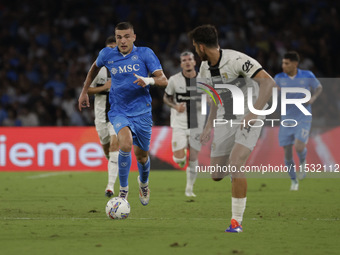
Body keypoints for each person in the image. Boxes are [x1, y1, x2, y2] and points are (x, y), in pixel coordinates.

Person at [188, 24, 276, 232]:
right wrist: (209, 125)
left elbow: (269, 83)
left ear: (201, 47)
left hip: (250, 115)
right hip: (225, 118)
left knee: (236, 162)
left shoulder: (237, 60)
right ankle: (237, 175)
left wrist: (254, 113)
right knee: (217, 174)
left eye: (194, 47)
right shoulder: (203, 69)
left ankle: (236, 222)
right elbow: (213, 99)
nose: (194, 51)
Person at [78, 22, 168, 206]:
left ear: (134, 37)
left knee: (142, 156)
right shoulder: (107, 54)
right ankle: (123, 192)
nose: (123, 40)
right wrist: (84, 91)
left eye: (127, 36)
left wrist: (148, 80)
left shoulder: (144, 53)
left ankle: (143, 184)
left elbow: (164, 80)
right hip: (119, 110)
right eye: (119, 37)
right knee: (125, 145)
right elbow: (94, 68)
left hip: (142, 111)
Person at [274, 51, 322, 191]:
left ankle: (302, 162)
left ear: (295, 64)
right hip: (286, 118)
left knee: (299, 146)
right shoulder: (279, 78)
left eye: (286, 63)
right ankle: (294, 181)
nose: (283, 65)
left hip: (303, 116)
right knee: (287, 152)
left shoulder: (307, 75)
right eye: (283, 63)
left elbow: (319, 87)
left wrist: (312, 98)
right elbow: (273, 92)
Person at [163, 51, 204, 197]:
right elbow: (166, 97)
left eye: (190, 59)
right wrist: (175, 106)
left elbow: (212, 98)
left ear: (194, 62)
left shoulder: (203, 80)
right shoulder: (174, 80)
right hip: (179, 123)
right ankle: (181, 158)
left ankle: (189, 189)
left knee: (193, 158)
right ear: (181, 64)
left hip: (197, 123)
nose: (187, 62)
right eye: (184, 60)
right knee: (180, 159)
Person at [87, 36, 119, 197]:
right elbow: (87, 90)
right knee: (107, 149)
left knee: (115, 145)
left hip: (117, 114)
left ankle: (110, 186)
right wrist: (104, 87)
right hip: (100, 116)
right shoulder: (98, 69)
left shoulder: (124, 68)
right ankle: (114, 166)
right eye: (110, 48)